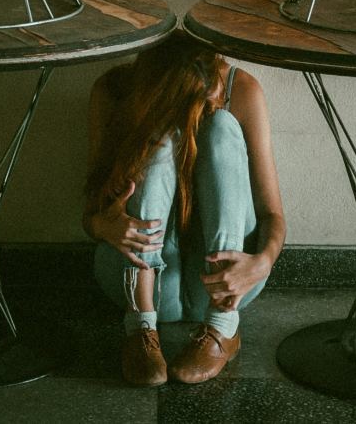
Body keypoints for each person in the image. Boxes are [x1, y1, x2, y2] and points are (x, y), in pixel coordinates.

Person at [83, 32, 286, 387]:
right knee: (157, 138)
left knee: (221, 126)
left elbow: (273, 214)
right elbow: (89, 218)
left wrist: (263, 261)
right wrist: (106, 226)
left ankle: (223, 329)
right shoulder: (113, 89)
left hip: (228, 283)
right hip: (141, 285)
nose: (201, 105)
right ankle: (140, 329)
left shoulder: (239, 88)